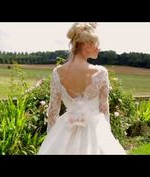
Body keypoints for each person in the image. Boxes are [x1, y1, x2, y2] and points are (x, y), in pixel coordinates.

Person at [38, 22, 126, 154]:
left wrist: (52, 138)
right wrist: (106, 134)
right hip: (96, 133)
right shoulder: (100, 73)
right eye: (97, 44)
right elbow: (104, 108)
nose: (100, 48)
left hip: (65, 130)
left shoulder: (57, 72)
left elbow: (53, 110)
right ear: (86, 45)